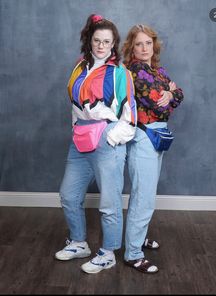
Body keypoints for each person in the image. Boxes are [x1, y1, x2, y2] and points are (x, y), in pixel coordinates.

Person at [55, 14, 137, 274]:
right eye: (97, 40)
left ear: (114, 44)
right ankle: (79, 242)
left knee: (109, 202)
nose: (101, 46)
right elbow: (75, 104)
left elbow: (130, 115)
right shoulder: (79, 66)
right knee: (69, 195)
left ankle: (109, 253)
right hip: (80, 139)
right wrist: (75, 128)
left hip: (106, 141)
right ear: (89, 41)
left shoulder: (120, 73)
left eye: (107, 42)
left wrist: (111, 136)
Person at [122, 24, 184, 273]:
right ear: (132, 47)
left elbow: (179, 94)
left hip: (158, 135)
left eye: (148, 43)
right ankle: (133, 254)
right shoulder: (135, 71)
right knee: (143, 197)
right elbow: (160, 107)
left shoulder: (157, 70)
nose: (144, 48)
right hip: (145, 136)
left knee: (148, 193)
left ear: (153, 45)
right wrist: (169, 95)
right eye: (139, 44)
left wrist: (172, 94)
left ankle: (138, 238)